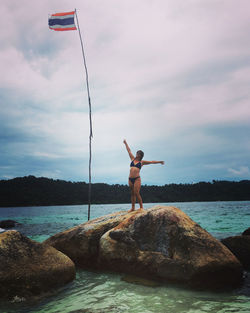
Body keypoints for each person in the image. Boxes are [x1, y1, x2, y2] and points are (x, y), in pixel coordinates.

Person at [123, 139, 165, 212]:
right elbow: (129, 150)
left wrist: (160, 162)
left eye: (138, 154)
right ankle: (133, 208)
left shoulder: (142, 162)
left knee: (136, 192)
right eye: (136, 153)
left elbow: (152, 162)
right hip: (130, 179)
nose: (136, 154)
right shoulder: (132, 159)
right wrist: (125, 143)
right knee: (132, 193)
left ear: (140, 155)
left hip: (137, 179)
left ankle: (141, 208)